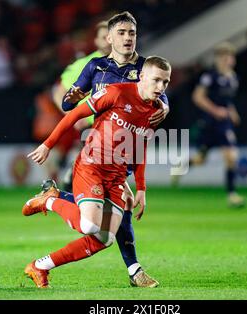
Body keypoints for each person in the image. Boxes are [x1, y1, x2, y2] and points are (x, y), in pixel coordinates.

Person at [39, 11, 169, 288]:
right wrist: (69, 99)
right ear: (109, 38)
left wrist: (166, 106)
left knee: (110, 218)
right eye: (121, 33)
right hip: (98, 150)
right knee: (116, 215)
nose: (127, 38)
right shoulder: (95, 67)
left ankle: (56, 197)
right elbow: (69, 105)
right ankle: (135, 271)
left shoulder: (146, 68)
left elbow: (159, 99)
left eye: (131, 33)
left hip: (127, 150)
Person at [173, 42, 245, 208]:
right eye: (225, 57)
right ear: (218, 59)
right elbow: (197, 97)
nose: (229, 60)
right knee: (201, 159)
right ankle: (184, 165)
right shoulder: (210, 77)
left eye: (231, 57)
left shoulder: (233, 78)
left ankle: (232, 194)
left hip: (224, 124)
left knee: (231, 156)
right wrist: (215, 110)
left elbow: (227, 101)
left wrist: (231, 111)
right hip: (209, 123)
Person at [51, 20, 111, 190]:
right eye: (104, 37)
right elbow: (58, 92)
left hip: (117, 125)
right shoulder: (84, 64)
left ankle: (73, 174)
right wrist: (73, 116)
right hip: (92, 124)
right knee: (98, 173)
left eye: (111, 36)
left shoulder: (128, 66)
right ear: (97, 41)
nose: (108, 40)